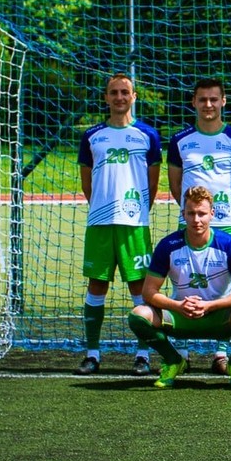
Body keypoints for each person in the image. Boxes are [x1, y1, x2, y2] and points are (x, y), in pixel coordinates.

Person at [126, 186, 231, 389]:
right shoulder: (168, 245)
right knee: (138, 315)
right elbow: (148, 292)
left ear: (212, 214)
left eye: (202, 214)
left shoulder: (229, 244)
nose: (196, 220)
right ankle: (173, 360)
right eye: (191, 213)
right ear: (183, 214)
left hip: (220, 317)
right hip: (181, 316)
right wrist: (177, 305)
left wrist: (210, 306)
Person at [167, 78, 231, 375]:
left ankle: (221, 353)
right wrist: (194, 213)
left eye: (214, 99)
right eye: (202, 99)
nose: (208, 105)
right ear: (194, 102)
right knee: (183, 281)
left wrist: (225, 211)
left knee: (226, 287)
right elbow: (176, 185)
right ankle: (181, 351)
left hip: (226, 225)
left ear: (223, 101)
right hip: (189, 224)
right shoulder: (180, 140)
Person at [75, 73, 162, 376]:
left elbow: (152, 183)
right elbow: (87, 183)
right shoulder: (92, 136)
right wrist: (102, 206)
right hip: (100, 222)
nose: (120, 97)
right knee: (97, 285)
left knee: (140, 287)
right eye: (114, 92)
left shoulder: (148, 135)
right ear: (106, 97)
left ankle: (143, 355)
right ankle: (92, 354)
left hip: (133, 223)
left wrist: (136, 211)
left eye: (125, 92)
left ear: (134, 97)